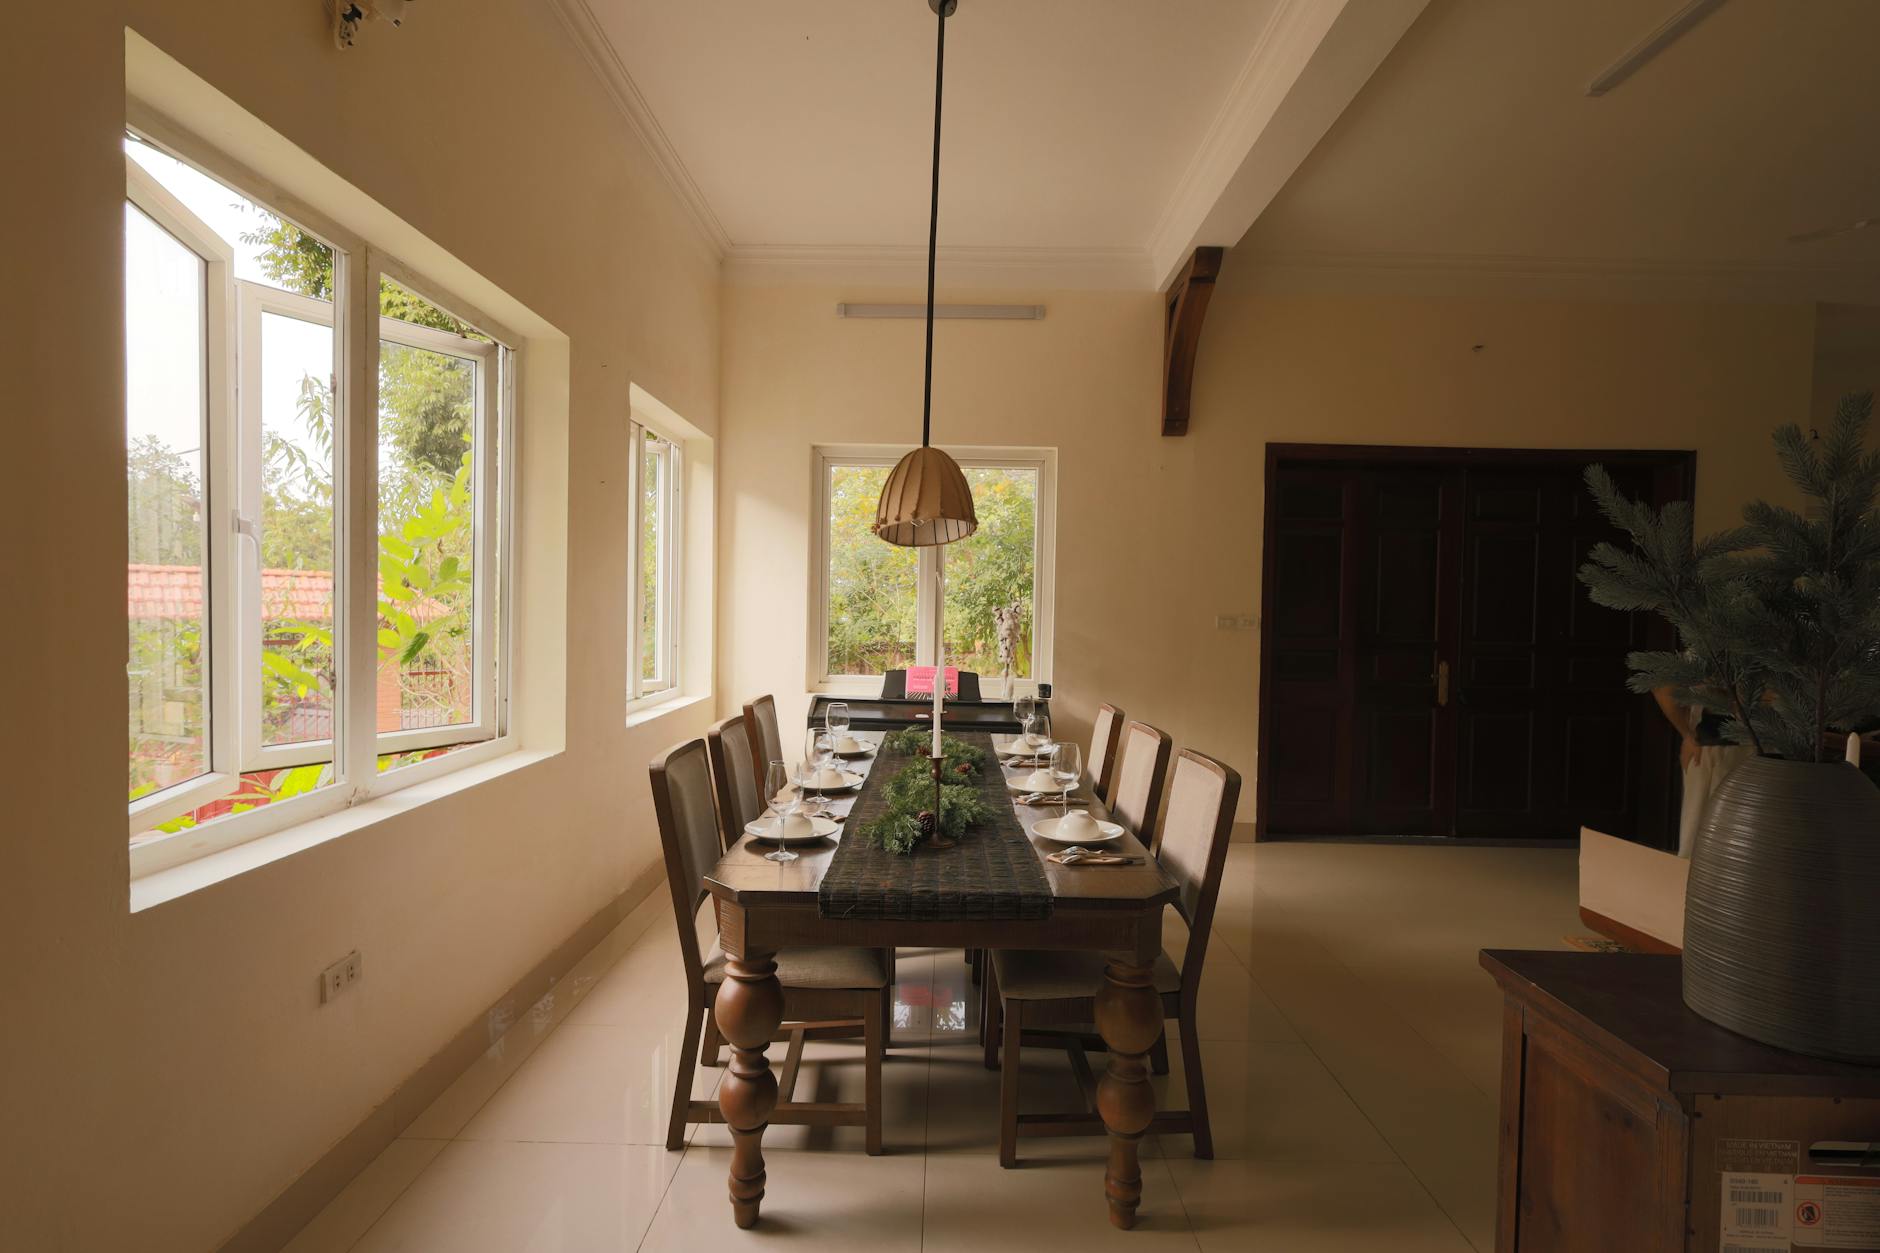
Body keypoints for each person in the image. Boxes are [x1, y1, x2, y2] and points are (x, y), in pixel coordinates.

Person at [1653, 687, 1752, 857]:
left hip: (1741, 741)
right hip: (1716, 741)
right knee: (1702, 842)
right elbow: (1660, 684)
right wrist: (1687, 734)